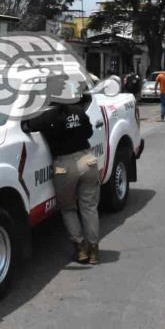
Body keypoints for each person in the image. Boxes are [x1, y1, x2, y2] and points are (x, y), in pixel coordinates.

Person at [22, 90, 100, 265]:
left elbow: (26, 126)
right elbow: (89, 133)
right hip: (87, 161)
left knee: (69, 209)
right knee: (89, 207)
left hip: (64, 166)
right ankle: (94, 251)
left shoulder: (45, 117)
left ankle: (80, 250)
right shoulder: (79, 111)